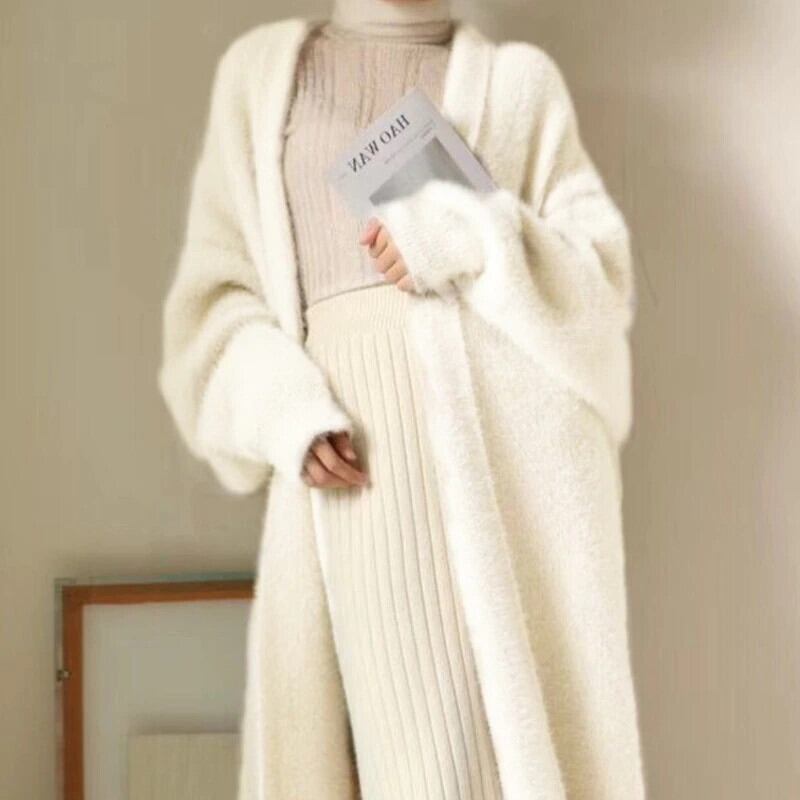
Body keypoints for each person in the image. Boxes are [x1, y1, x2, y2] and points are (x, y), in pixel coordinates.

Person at [157, 1, 647, 798]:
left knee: (466, 771)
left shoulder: (518, 84)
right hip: (348, 481)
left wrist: (463, 232)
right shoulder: (262, 78)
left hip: (490, 491)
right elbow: (215, 307)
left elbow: (596, 294)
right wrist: (283, 409)